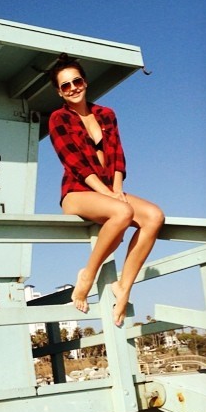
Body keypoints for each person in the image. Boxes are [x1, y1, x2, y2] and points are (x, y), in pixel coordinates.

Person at [48, 54, 164, 326]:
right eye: (66, 85)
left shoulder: (106, 115)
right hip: (77, 193)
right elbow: (74, 163)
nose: (73, 88)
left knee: (154, 216)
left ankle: (123, 286)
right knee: (123, 212)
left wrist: (117, 189)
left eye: (77, 81)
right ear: (60, 92)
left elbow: (117, 155)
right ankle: (88, 275)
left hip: (109, 191)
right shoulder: (58, 118)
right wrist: (108, 194)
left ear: (85, 82)